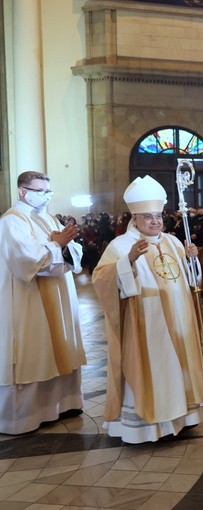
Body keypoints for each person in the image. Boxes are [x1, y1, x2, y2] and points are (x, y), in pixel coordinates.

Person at [92, 176, 203, 443]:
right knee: (155, 366)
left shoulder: (173, 242)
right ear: (135, 219)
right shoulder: (120, 245)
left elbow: (191, 281)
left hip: (180, 318)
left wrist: (192, 261)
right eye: (148, 217)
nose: (155, 221)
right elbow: (101, 279)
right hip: (146, 324)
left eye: (158, 216)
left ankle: (184, 417)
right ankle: (148, 426)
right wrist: (128, 261)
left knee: (179, 364)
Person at [0, 171, 86, 435]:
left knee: (59, 346)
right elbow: (25, 261)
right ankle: (24, 417)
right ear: (22, 191)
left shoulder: (48, 217)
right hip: (29, 298)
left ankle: (63, 404)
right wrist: (56, 245)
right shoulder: (11, 221)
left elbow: (74, 252)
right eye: (40, 191)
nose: (46, 196)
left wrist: (67, 246)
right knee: (34, 351)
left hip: (58, 293)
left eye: (48, 191)